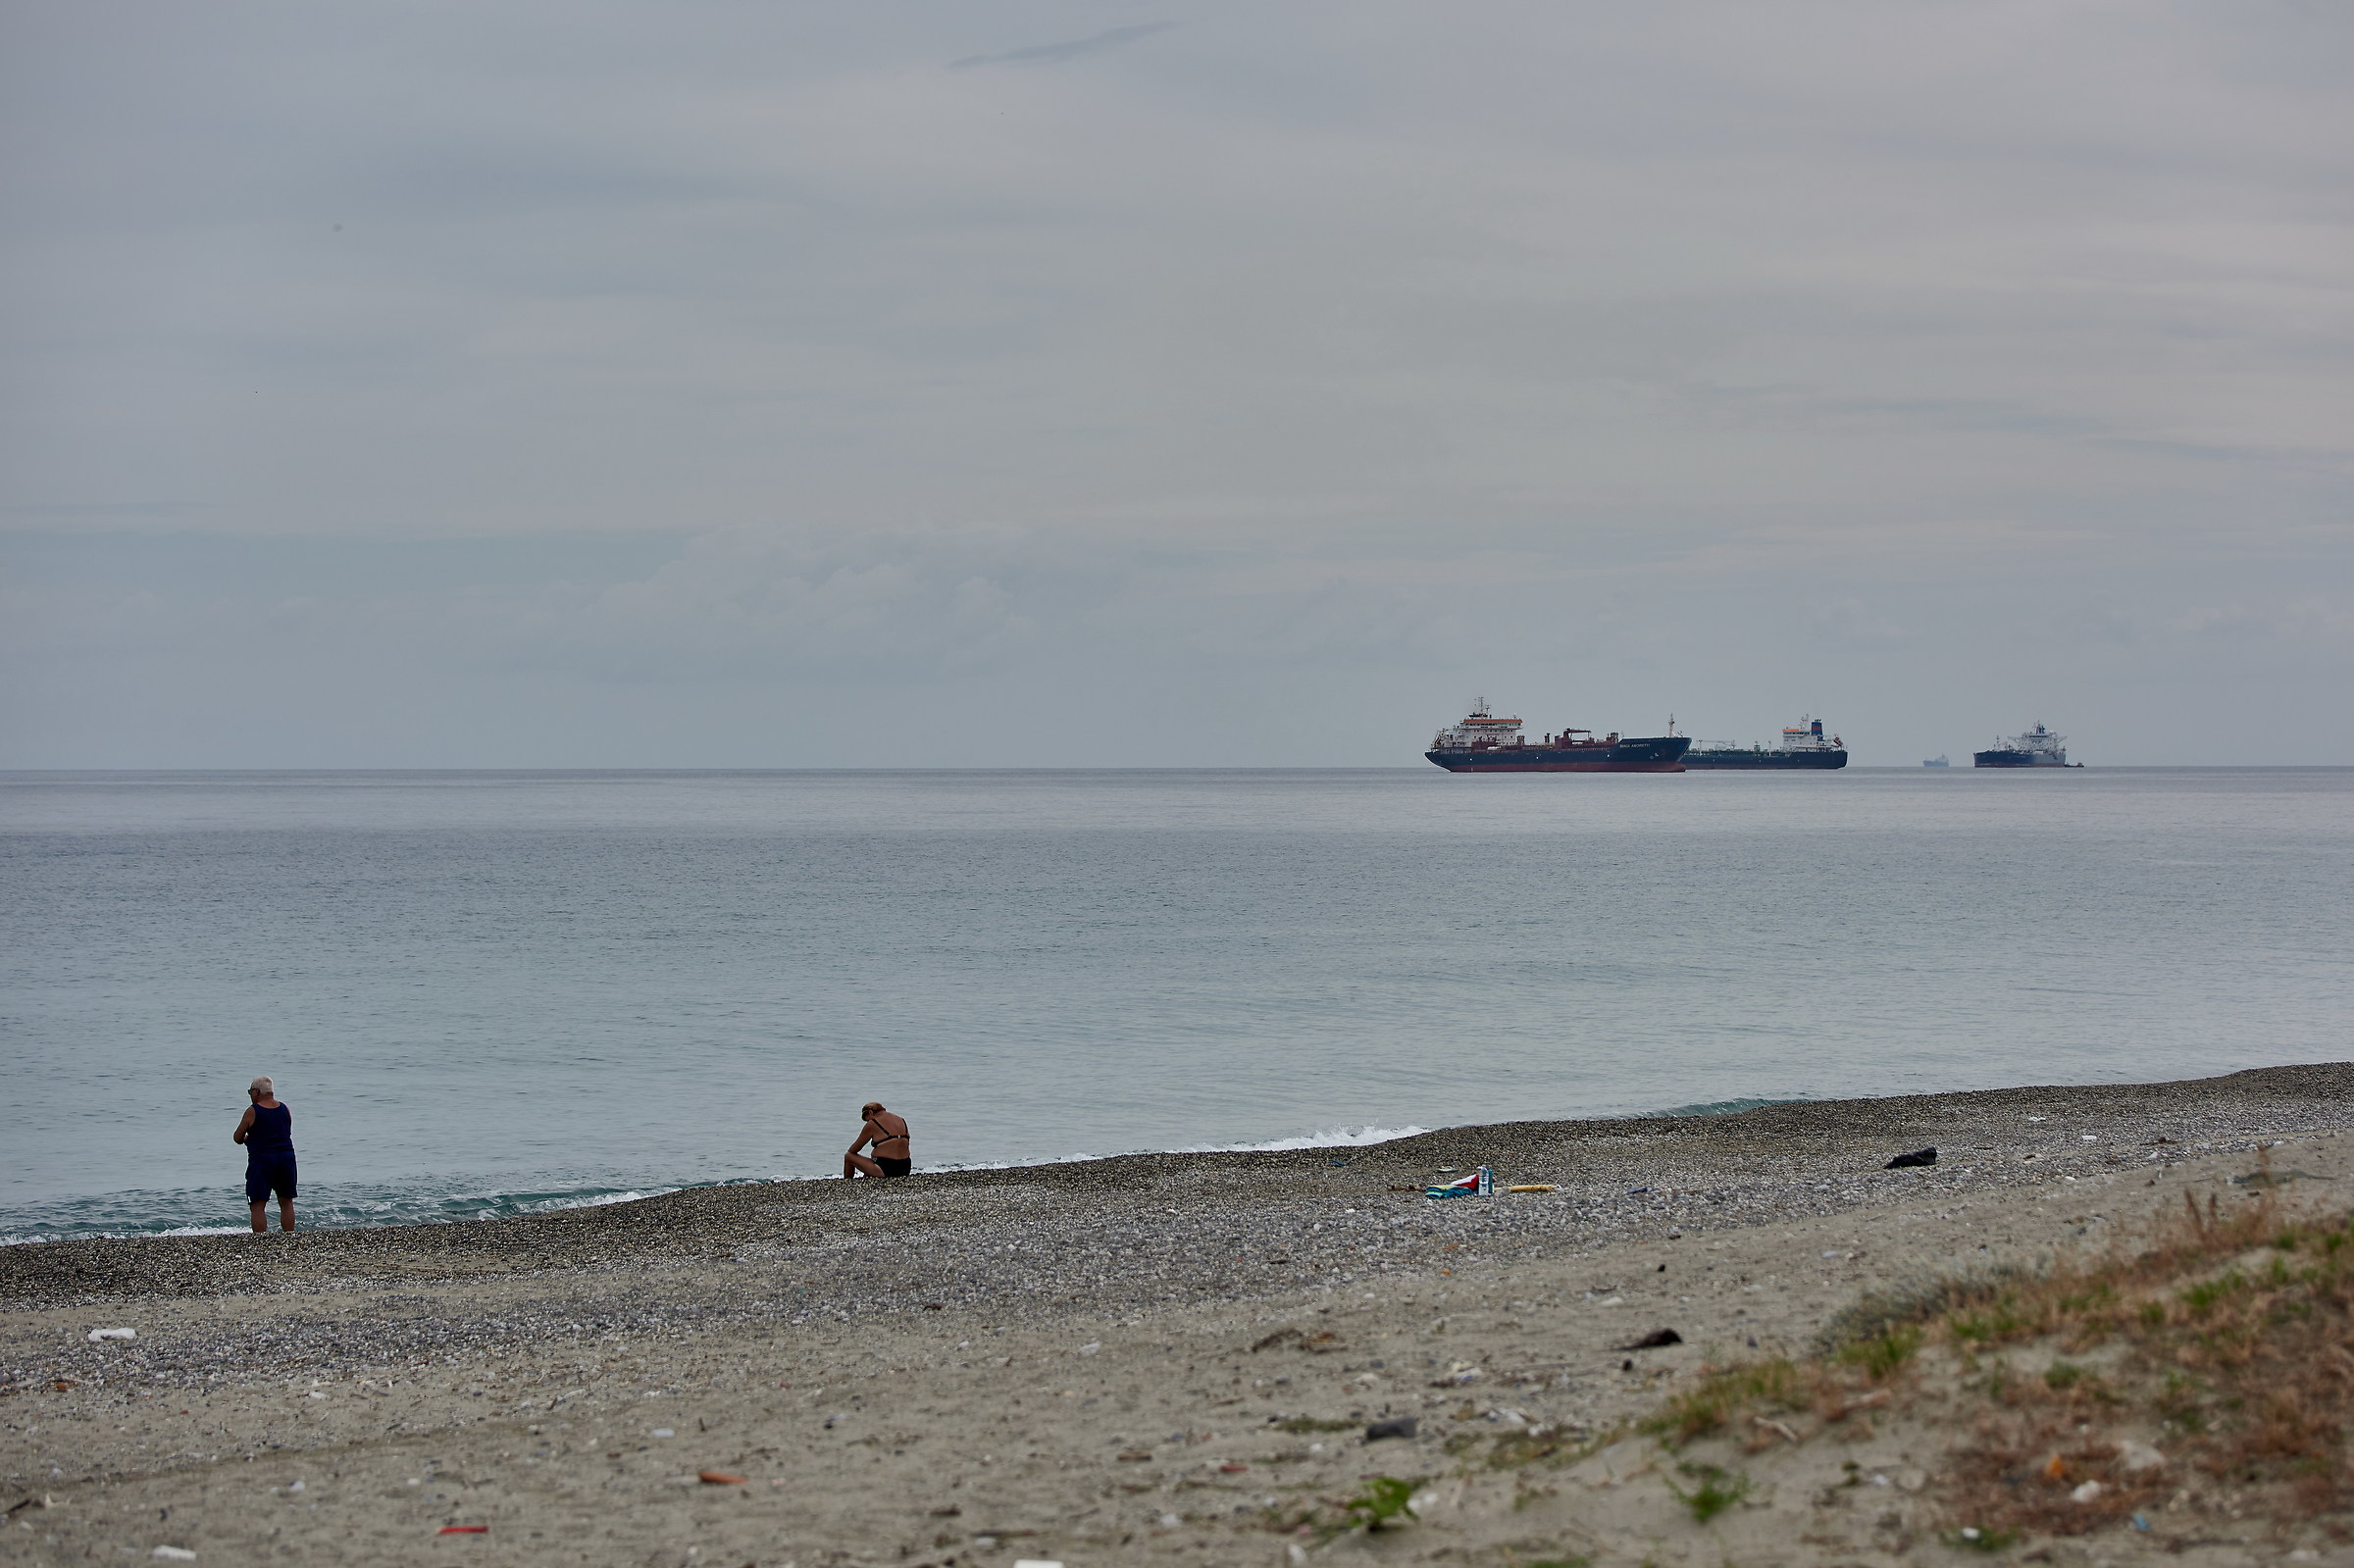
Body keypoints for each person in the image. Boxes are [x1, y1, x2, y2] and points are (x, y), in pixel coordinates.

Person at [233, 1076, 297, 1233]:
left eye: (250, 1091)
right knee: (286, 1201)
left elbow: (237, 1138)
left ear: (256, 1092)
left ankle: (260, 1239)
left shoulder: (253, 1111)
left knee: (257, 1203)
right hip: (286, 1157)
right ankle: (289, 1235)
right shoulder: (284, 1108)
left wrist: (249, 1138)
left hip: (262, 1160)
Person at [843, 1101, 912, 1180]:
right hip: (905, 1167)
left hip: (886, 1168)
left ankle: (847, 1181)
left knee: (848, 1156)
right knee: (874, 1159)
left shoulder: (873, 1123)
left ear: (870, 1112)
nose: (868, 1122)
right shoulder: (901, 1120)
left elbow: (854, 1149)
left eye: (867, 1120)